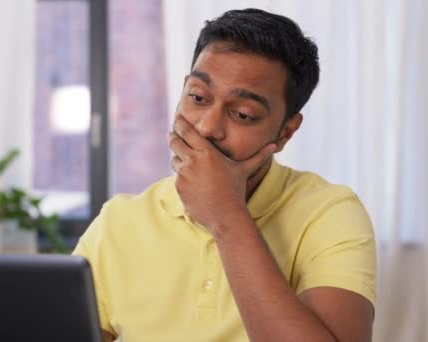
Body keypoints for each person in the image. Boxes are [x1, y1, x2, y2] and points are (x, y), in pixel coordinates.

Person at [74, 8, 376, 342]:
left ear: (286, 132)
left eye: (243, 115)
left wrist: (225, 215)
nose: (206, 127)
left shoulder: (329, 212)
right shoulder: (119, 220)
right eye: (197, 97)